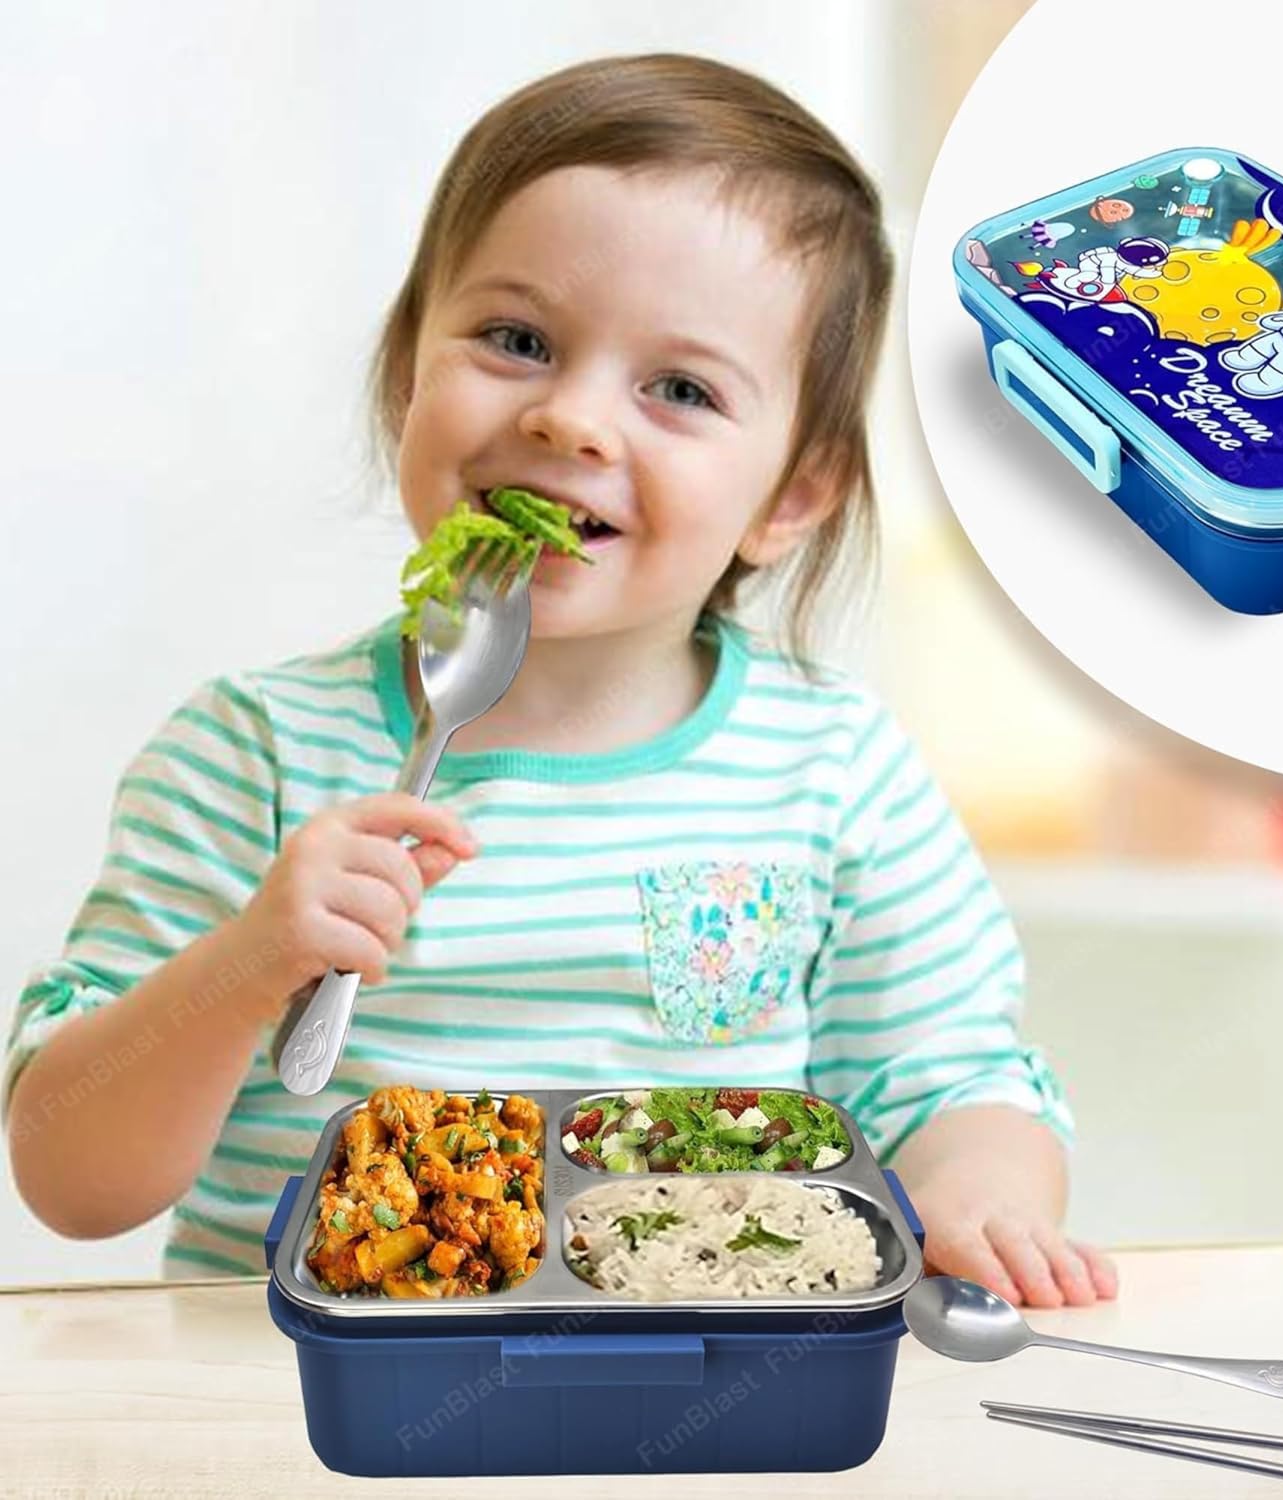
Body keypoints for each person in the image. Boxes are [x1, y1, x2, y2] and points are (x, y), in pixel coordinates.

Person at [4, 54, 1116, 1309]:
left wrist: (980, 1200)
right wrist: (250, 964)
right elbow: (69, 1174)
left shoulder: (835, 774)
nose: (573, 421)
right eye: (517, 340)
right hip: (300, 1422)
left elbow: (950, 1082)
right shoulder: (252, 753)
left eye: (680, 389)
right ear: (405, 374)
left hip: (702, 1396)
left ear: (794, 494)